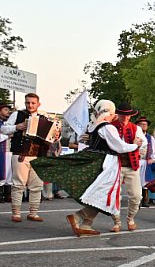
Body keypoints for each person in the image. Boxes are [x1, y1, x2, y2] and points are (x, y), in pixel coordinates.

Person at [32, 100, 142, 236]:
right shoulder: (108, 127)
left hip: (98, 161)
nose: (115, 116)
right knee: (102, 196)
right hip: (106, 164)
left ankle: (86, 224)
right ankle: (78, 217)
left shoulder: (93, 126)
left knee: (98, 195)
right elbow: (119, 147)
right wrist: (135, 145)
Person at [0, 93, 58, 222]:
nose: (30, 105)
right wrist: (16, 127)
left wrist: (53, 137)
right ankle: (16, 213)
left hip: (38, 155)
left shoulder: (44, 118)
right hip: (21, 154)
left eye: (33, 103)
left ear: (38, 104)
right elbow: (3, 129)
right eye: (28, 103)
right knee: (18, 184)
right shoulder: (17, 115)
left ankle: (33, 212)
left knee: (36, 185)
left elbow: (52, 137)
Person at [109, 102, 146, 232]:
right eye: (122, 115)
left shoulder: (136, 128)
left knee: (136, 196)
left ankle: (130, 218)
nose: (125, 118)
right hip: (115, 165)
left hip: (132, 165)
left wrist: (139, 144)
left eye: (128, 116)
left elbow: (142, 142)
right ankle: (117, 221)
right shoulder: (111, 127)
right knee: (115, 196)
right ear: (117, 114)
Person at [136, 116, 155, 208]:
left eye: (145, 124)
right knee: (136, 182)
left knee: (145, 182)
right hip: (136, 161)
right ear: (138, 125)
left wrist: (152, 159)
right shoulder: (134, 135)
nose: (144, 126)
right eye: (142, 124)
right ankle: (137, 201)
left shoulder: (150, 138)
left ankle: (145, 200)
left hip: (145, 162)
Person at [0, 102, 12, 203]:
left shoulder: (9, 123)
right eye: (6, 109)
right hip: (1, 152)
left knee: (9, 173)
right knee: (2, 172)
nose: (8, 111)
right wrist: (8, 136)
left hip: (9, 151)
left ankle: (8, 194)